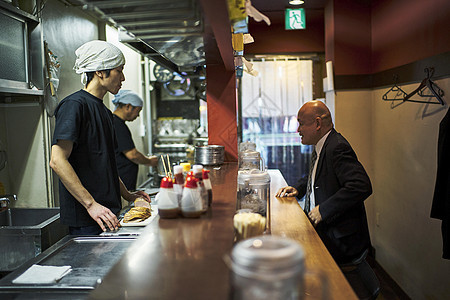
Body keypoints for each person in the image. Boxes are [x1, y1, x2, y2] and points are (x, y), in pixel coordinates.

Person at [49, 40, 151, 235]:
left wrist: (127, 195)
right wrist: (91, 204)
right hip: (88, 216)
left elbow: (107, 164)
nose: (122, 77)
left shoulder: (104, 111)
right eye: (119, 71)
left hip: (108, 212)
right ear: (100, 71)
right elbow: (57, 161)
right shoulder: (74, 105)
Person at [276, 100, 372, 264]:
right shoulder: (323, 144)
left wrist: (324, 209)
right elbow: (317, 173)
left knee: (287, 255)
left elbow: (361, 186)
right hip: (326, 229)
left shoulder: (337, 147)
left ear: (318, 123)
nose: (298, 130)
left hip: (341, 240)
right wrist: (298, 188)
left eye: (301, 124)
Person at [112, 90, 157, 191]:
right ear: (128, 106)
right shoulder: (117, 125)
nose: (138, 115)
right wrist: (149, 161)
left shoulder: (116, 123)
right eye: (138, 111)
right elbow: (133, 155)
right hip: (121, 185)